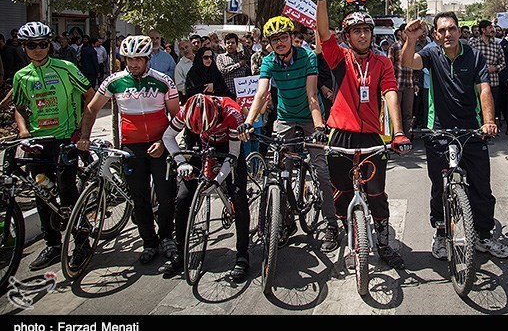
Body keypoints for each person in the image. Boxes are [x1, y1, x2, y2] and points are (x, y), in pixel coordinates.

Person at [312, 0, 412, 270]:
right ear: (348, 35)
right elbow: (322, 32)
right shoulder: (338, 58)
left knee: (377, 194)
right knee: (341, 193)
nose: (363, 36)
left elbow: (391, 93)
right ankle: (349, 231)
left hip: (371, 137)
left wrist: (398, 133)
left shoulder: (382, 62)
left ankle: (382, 243)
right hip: (340, 136)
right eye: (356, 31)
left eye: (366, 31)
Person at [401, 12, 508, 260]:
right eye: (441, 31)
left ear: (459, 30)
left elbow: (484, 88)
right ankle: (441, 232)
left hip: (471, 130)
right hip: (438, 130)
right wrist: (410, 38)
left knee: (481, 187)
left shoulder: (474, 55)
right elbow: (409, 62)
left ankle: (484, 235)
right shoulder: (431, 52)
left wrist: (489, 121)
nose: (447, 34)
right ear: (436, 35)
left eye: (451, 29)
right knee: (439, 187)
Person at [238, 15, 339, 252]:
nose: (280, 43)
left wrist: (320, 128)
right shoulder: (268, 62)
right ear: (270, 43)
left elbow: (312, 96)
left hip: (310, 116)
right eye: (275, 40)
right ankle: (283, 221)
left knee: (321, 171)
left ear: (292, 38)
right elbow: (261, 94)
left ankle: (331, 225)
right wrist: (249, 122)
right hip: (285, 117)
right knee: (280, 170)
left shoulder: (307, 57)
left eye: (284, 37)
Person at [78, 35, 180, 267]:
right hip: (131, 148)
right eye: (128, 59)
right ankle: (149, 242)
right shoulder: (114, 81)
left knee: (166, 196)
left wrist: (165, 143)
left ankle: (166, 237)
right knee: (139, 198)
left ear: (147, 59)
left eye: (138, 59)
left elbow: (177, 116)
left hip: (159, 144)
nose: (133, 63)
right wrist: (84, 136)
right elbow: (92, 109)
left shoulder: (163, 81)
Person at [13, 22, 95, 270]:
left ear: (50, 45)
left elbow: (90, 97)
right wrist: (24, 131)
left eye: (43, 44)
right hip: (38, 144)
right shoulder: (21, 76)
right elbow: (19, 107)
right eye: (32, 45)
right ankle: (53, 245)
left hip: (65, 141)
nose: (38, 50)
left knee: (67, 191)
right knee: (43, 194)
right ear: (24, 47)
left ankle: (82, 244)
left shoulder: (66, 68)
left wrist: (82, 130)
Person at [161, 94, 251, 281]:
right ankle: (180, 252)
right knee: (182, 197)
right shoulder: (186, 110)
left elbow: (233, 155)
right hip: (202, 145)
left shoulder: (232, 113)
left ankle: (242, 256)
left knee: (239, 198)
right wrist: (180, 163)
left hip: (229, 147)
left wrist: (217, 180)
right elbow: (167, 136)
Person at [389, 24, 416, 137]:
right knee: (396, 111)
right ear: (400, 33)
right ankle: (396, 135)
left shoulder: (412, 47)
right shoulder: (394, 47)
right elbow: (389, 66)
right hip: (397, 84)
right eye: (405, 32)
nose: (406, 35)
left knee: (408, 113)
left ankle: (407, 136)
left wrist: (415, 82)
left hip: (409, 84)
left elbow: (415, 66)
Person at [216, 32, 251, 98]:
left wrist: (243, 43)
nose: (230, 45)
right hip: (226, 92)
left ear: (237, 44)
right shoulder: (220, 57)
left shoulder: (241, 56)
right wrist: (238, 65)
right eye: (228, 43)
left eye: (233, 43)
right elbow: (223, 71)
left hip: (242, 92)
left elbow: (249, 54)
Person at [173, 39, 194, 104]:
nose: (185, 50)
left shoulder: (200, 59)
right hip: (189, 98)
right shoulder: (179, 66)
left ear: (191, 46)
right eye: (182, 49)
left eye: (186, 47)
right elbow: (179, 86)